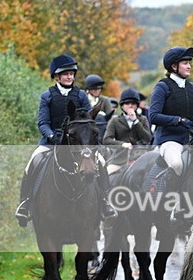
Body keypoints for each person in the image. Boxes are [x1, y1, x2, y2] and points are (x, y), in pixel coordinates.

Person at [14, 54, 117, 226]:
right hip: (52, 141)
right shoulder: (47, 96)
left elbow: (88, 120)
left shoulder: (81, 96)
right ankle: (25, 204)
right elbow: (43, 123)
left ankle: (105, 202)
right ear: (57, 76)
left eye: (71, 74)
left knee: (100, 161)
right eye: (65, 74)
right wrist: (51, 136)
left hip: (78, 143)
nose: (69, 77)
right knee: (33, 161)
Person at [148, 45, 193, 221]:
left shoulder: (192, 88)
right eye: (185, 63)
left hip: (191, 140)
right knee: (177, 164)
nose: (189, 66)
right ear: (174, 66)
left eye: (189, 63)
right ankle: (173, 205)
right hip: (169, 140)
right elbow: (153, 116)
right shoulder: (162, 87)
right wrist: (178, 120)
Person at [103, 88, 152, 174]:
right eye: (127, 103)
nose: (130, 106)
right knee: (106, 175)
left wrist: (135, 121)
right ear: (122, 106)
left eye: (133, 103)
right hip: (119, 160)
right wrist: (122, 144)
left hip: (140, 158)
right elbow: (106, 140)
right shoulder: (115, 121)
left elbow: (148, 138)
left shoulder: (143, 119)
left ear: (137, 105)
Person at [85, 74, 114, 139]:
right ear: (88, 89)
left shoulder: (105, 100)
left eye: (99, 89)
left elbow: (110, 117)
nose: (97, 91)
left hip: (103, 128)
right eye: (94, 89)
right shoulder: (84, 99)